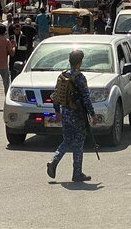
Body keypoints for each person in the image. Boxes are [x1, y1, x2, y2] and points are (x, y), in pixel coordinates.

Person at [47, 50, 98, 182]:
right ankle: (77, 173)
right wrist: (93, 114)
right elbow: (86, 98)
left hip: (66, 114)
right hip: (77, 114)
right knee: (79, 143)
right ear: (80, 62)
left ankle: (54, 161)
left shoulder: (63, 76)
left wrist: (57, 111)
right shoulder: (79, 77)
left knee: (67, 140)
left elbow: (56, 96)